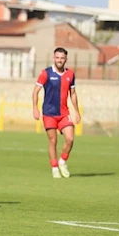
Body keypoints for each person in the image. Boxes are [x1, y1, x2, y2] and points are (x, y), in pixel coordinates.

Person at [32, 47, 81, 179]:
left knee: (70, 139)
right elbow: (35, 91)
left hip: (64, 113)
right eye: (57, 57)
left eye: (62, 58)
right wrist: (35, 108)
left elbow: (73, 93)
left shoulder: (70, 74)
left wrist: (77, 111)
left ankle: (62, 161)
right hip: (49, 113)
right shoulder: (45, 73)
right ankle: (54, 167)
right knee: (53, 140)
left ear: (66, 59)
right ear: (54, 58)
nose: (59, 60)